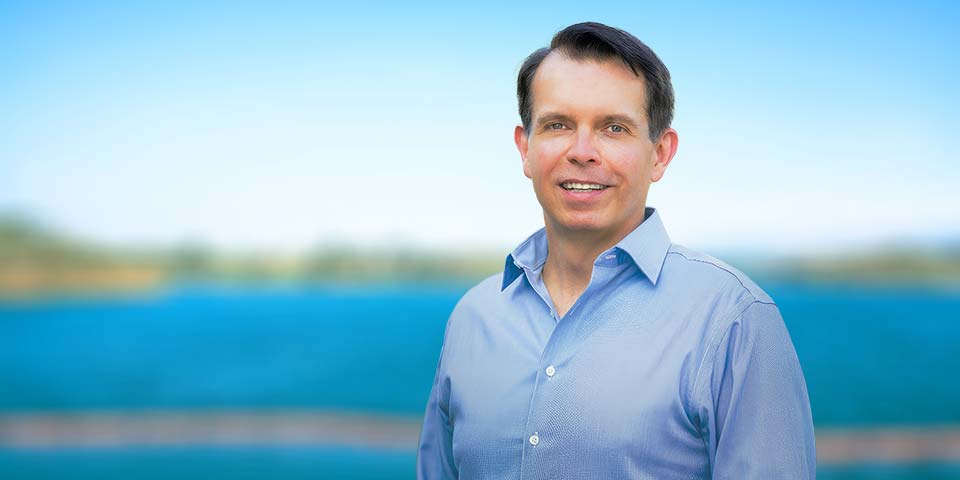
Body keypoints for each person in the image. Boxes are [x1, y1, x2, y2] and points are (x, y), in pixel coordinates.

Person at [417, 22, 815, 479]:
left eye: (614, 128)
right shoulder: (472, 319)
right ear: (525, 149)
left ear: (660, 154)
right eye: (558, 125)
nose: (582, 151)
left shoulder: (734, 321)